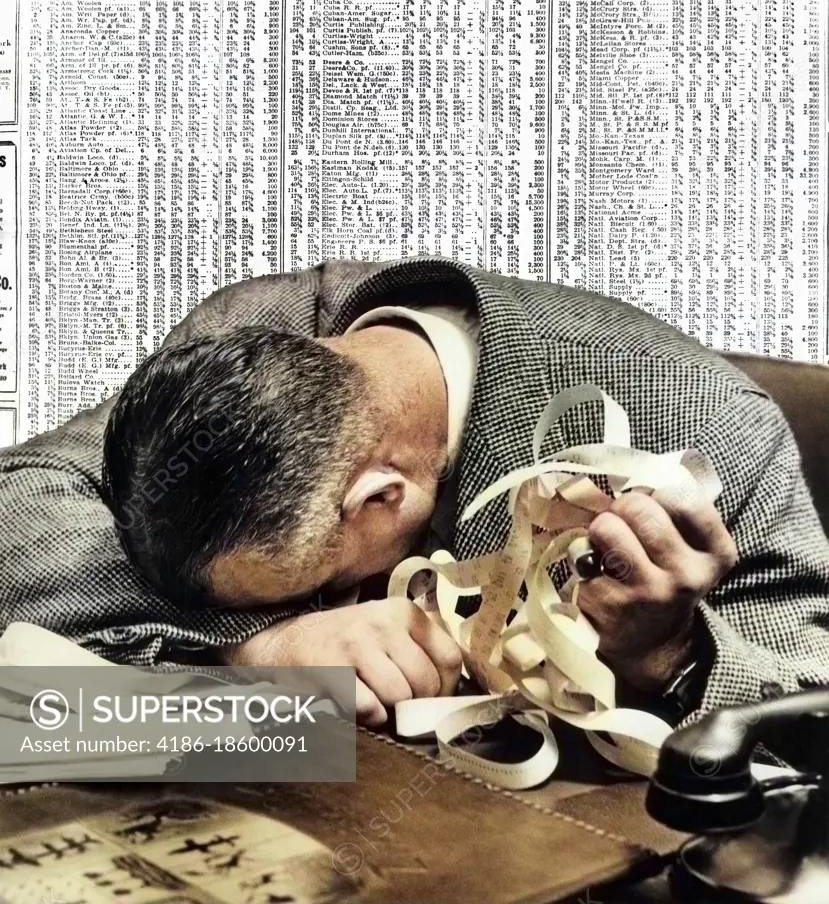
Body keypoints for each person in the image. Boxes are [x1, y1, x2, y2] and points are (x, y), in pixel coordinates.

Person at [1, 257, 827, 755]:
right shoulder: (243, 340)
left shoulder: (704, 417)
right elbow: (19, 505)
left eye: (300, 583)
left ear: (381, 498)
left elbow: (810, 688)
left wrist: (670, 659)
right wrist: (261, 648)